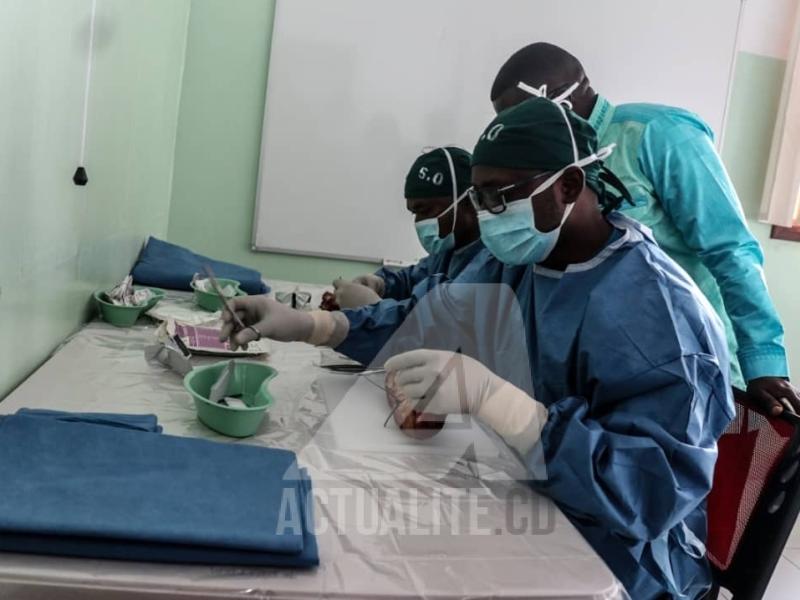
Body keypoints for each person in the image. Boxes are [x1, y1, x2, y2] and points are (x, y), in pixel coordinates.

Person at [221, 97, 734, 599]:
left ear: (569, 185)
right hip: (538, 492)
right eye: (478, 198)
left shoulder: (660, 315)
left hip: (626, 560)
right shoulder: (520, 258)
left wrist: (503, 406)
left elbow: (648, 496)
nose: (485, 216)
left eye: (497, 197)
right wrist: (311, 324)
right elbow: (427, 318)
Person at [488, 41, 800, 416]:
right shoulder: (553, 164)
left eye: (519, 116)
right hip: (611, 359)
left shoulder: (658, 135)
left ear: (558, 98)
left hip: (688, 355)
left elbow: (730, 250)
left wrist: (763, 363)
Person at [333, 146, 483, 309]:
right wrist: (382, 285)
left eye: (425, 210)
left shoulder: (490, 264)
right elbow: (411, 280)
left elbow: (434, 324)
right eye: (414, 213)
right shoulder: (447, 254)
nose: (419, 222)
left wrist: (375, 310)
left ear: (468, 202)